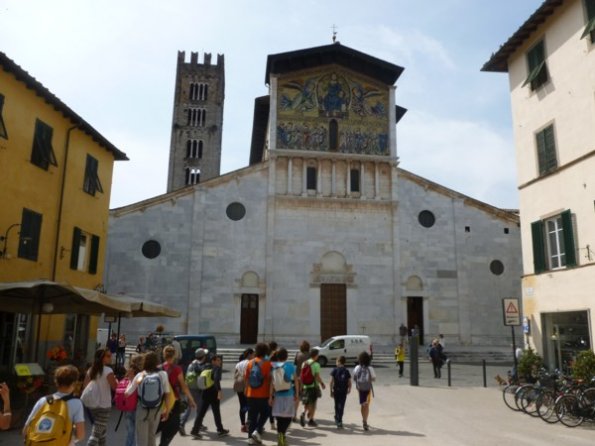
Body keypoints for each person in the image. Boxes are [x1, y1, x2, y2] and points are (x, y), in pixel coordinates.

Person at [23, 365, 85, 445]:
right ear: (74, 383)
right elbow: (80, 434)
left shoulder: (42, 401)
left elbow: (25, 430)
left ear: (56, 381)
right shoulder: (76, 403)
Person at [125, 351, 170, 446]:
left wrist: (129, 380)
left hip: (142, 410)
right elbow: (167, 393)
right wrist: (167, 409)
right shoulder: (163, 374)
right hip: (157, 410)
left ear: (144, 361)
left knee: (141, 440)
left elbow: (127, 393)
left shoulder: (140, 375)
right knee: (152, 436)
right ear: (157, 362)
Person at [158, 345, 197, 446]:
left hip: (160, 401)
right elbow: (184, 386)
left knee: (162, 424)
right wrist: (191, 400)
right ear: (174, 355)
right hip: (173, 401)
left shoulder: (159, 368)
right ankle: (163, 444)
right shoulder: (177, 369)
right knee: (173, 427)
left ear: (164, 355)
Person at [82, 348, 117, 445]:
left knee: (102, 433)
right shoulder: (108, 370)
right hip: (104, 406)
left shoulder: (91, 370)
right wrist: (117, 381)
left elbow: (85, 386)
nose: (111, 358)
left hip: (92, 405)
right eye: (108, 356)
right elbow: (114, 387)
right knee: (96, 434)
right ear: (102, 358)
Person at [190, 354, 229, 439]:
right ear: (213, 361)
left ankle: (194, 430)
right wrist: (219, 391)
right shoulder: (217, 368)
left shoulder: (205, 367)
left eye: (220, 360)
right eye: (218, 360)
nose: (220, 362)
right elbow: (216, 379)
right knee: (216, 412)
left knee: (201, 413)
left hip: (205, 392)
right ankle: (220, 430)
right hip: (213, 393)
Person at [269, 347, 298, 446]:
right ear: (286, 356)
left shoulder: (274, 366)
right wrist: (297, 393)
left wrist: (270, 396)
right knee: (288, 417)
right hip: (288, 394)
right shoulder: (290, 366)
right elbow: (296, 381)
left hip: (277, 395)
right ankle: (282, 435)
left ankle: (280, 437)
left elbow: (272, 383)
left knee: (279, 418)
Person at [244, 342, 272, 444]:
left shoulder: (250, 362)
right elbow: (270, 380)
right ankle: (257, 430)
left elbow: (246, 378)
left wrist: (246, 391)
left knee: (252, 417)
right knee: (266, 412)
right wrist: (271, 395)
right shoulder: (268, 363)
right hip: (263, 394)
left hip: (251, 394)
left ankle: (250, 439)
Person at [179, 348, 208, 436]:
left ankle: (183, 423)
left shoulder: (191, 364)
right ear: (203, 357)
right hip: (197, 390)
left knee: (188, 407)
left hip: (189, 388)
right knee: (200, 409)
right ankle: (196, 427)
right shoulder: (200, 365)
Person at [299, 348, 326, 428]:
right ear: (316, 355)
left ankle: (303, 413)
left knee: (306, 402)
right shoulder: (316, 365)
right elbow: (317, 376)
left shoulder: (304, 363)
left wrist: (301, 386)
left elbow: (301, 375)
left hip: (305, 386)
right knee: (313, 404)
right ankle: (311, 420)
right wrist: (322, 383)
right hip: (313, 386)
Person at [122, 354, 143, 446]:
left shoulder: (130, 371)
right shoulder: (142, 373)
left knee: (130, 431)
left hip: (129, 404)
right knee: (136, 431)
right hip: (138, 405)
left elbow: (128, 389)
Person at [353, 351, 376, 431]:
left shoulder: (357, 367)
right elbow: (374, 379)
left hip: (360, 389)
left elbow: (354, 378)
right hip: (367, 389)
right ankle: (365, 421)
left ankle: (363, 420)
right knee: (366, 405)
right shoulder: (370, 368)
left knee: (362, 405)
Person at [234, 348, 254, 433]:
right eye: (253, 354)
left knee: (242, 405)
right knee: (250, 406)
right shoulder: (251, 363)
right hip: (248, 386)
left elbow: (235, 375)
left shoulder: (238, 364)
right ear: (249, 354)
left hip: (239, 386)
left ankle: (242, 424)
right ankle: (248, 424)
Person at [329, 355, 351, 428]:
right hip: (344, 391)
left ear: (338, 362)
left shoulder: (334, 370)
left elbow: (331, 382)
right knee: (341, 405)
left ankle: (337, 417)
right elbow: (349, 382)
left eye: (336, 361)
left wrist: (330, 391)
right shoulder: (346, 371)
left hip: (336, 390)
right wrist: (349, 389)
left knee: (336, 404)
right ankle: (340, 420)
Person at [293, 340, 310, 420]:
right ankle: (303, 412)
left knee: (297, 396)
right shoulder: (310, 355)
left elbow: (295, 364)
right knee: (306, 397)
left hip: (297, 377)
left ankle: (294, 414)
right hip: (306, 378)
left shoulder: (298, 354)